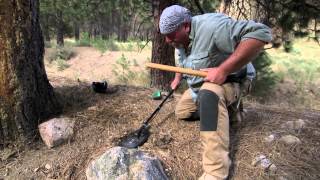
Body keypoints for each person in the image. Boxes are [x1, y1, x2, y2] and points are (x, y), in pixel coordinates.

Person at [159, 5, 272, 180]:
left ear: (186, 26)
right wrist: (177, 78)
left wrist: (223, 70)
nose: (167, 40)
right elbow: (182, 60)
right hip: (202, 85)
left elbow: (261, 33)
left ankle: (216, 172)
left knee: (209, 97)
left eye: (171, 34)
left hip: (235, 79)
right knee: (182, 111)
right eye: (165, 35)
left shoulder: (213, 27)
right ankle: (226, 112)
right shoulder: (179, 39)